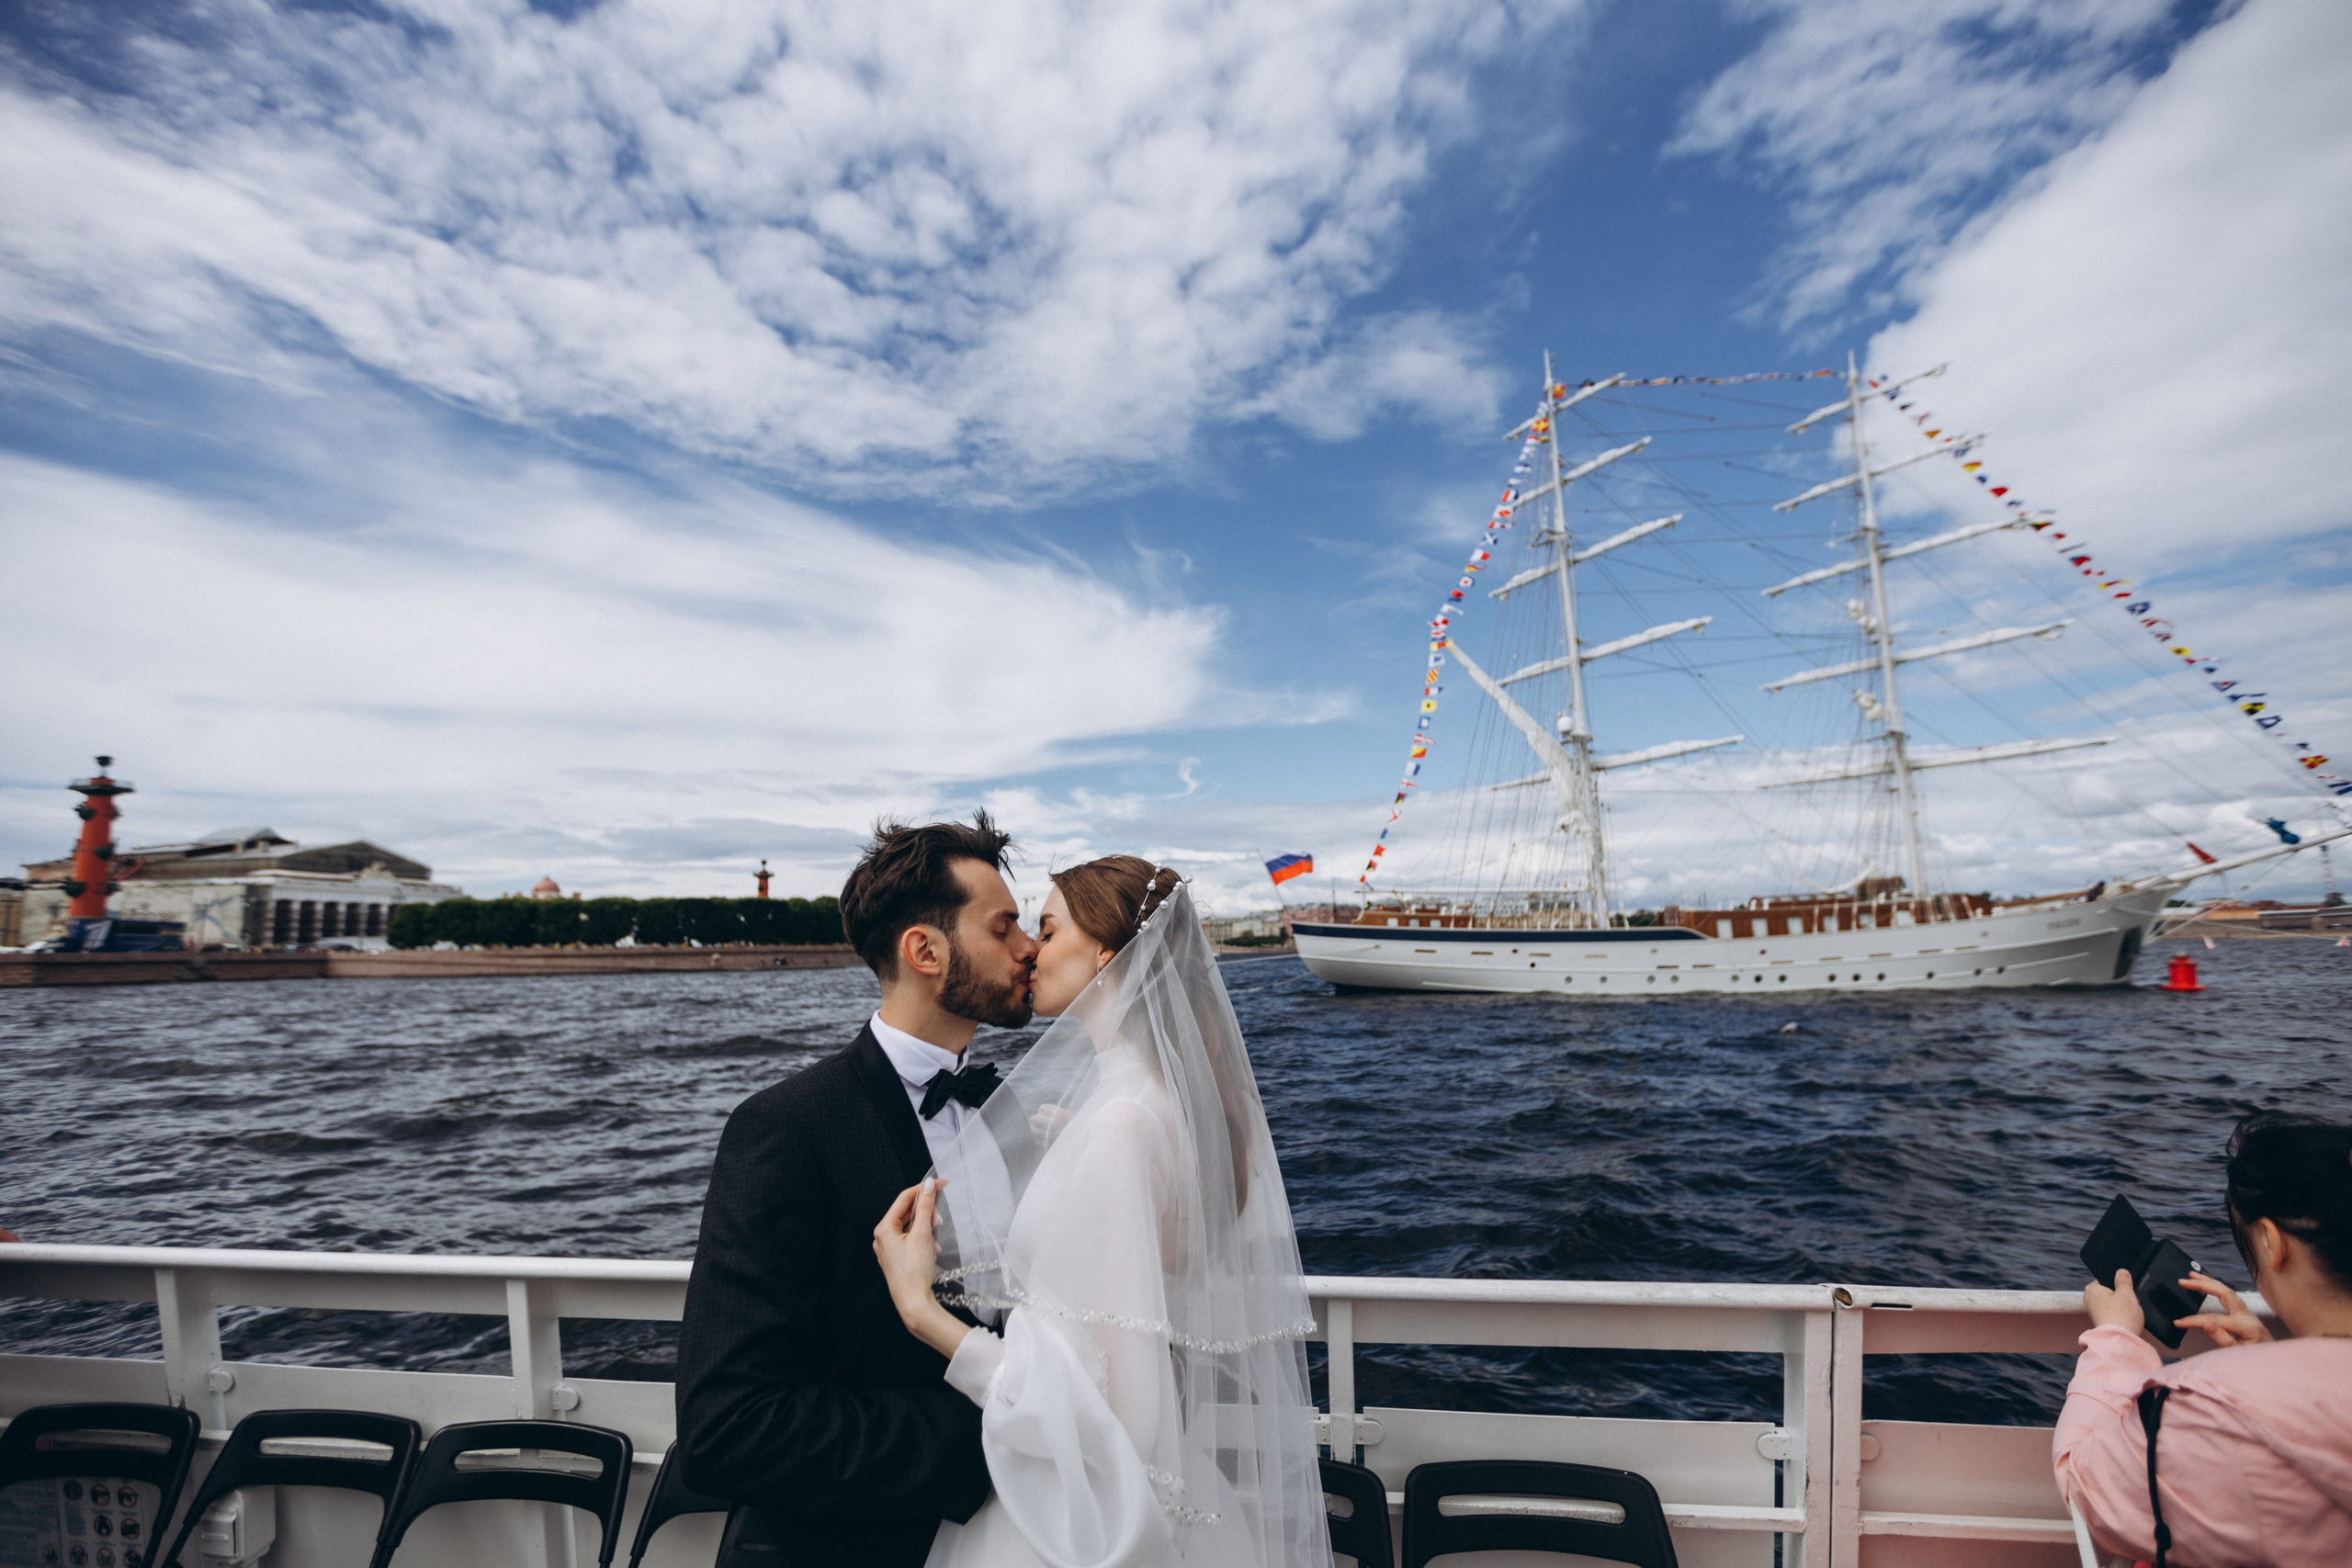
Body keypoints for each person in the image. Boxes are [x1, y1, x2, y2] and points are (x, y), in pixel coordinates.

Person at [873, 855, 1329, 1568]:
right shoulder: (1139, 1105)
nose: (1029, 948)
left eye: (1048, 929)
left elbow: (1114, 1414)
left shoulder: (1122, 1123)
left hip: (1076, 1511)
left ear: (1107, 954)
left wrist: (922, 1314)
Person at [675, 813, 1040, 1568]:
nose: (1028, 947)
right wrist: (992, 1435)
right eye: (1004, 927)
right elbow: (728, 1426)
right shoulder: (786, 1127)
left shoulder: (1011, 1114)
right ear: (925, 950)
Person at [2053, 1112, 2352, 1566]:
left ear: (2272, 1243)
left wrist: (2114, 1340)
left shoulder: (2207, 1405)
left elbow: (2085, 1487)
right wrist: (2275, 1363)